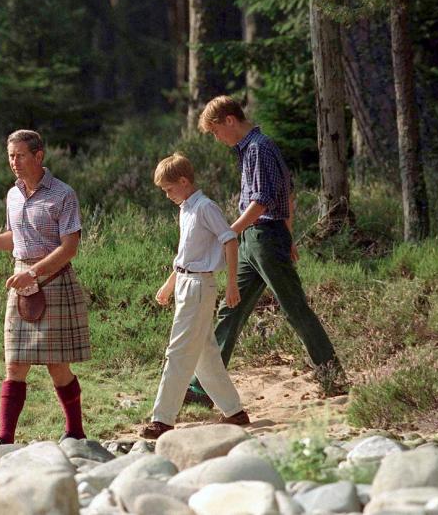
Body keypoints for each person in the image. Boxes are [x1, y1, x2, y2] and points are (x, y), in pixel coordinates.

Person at [185, 95, 347, 406]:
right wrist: (287, 234)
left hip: (262, 238)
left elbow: (263, 200)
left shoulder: (258, 148)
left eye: (216, 131)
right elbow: (287, 192)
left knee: (294, 308)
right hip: (254, 241)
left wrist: (230, 231)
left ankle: (334, 379)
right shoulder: (250, 149)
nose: (217, 139)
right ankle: (202, 388)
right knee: (230, 310)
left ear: (230, 121)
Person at [0, 129, 90, 444]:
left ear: (39, 156)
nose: (14, 162)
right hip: (21, 280)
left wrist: (35, 273)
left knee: (58, 367)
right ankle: (4, 439)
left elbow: (69, 247)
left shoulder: (62, 194)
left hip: (54, 279)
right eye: (10, 156)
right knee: (14, 363)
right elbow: (15, 237)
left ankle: (76, 433)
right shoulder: (12, 195)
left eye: (20, 155)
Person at [143, 153, 249, 439]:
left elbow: (229, 240)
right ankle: (234, 412)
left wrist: (232, 285)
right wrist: (168, 286)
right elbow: (186, 256)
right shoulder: (185, 209)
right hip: (185, 284)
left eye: (169, 189)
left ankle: (162, 419)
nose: (167, 195)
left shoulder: (205, 208)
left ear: (184, 181)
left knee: (177, 352)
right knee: (205, 355)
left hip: (200, 287)